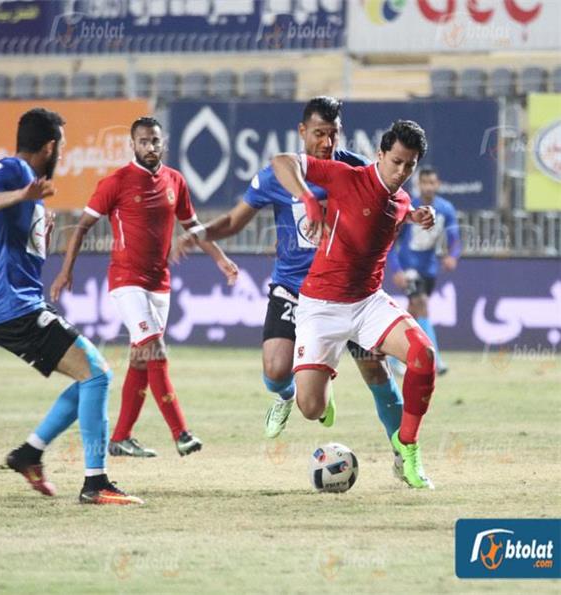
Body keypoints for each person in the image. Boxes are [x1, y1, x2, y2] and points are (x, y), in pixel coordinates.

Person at [174, 97, 405, 466]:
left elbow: (391, 209)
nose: (327, 143)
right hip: (294, 287)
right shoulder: (278, 176)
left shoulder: (358, 170)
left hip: (347, 291)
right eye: (319, 134)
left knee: (375, 369)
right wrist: (200, 233)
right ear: (302, 131)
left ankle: (403, 454)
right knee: (276, 370)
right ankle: (285, 395)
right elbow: (234, 221)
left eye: (334, 134)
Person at [0, 107, 142, 505]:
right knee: (97, 375)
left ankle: (30, 454)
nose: (62, 154)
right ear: (49, 147)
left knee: (91, 377)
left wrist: (35, 228)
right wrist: (21, 197)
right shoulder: (14, 171)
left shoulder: (27, 191)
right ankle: (95, 483)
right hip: (15, 306)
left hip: (13, 306)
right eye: (62, 146)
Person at [51, 116, 238, 458]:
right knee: (156, 351)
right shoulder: (116, 182)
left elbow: (194, 227)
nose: (150, 147)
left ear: (162, 142)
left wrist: (221, 259)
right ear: (132, 145)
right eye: (143, 141)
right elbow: (82, 227)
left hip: (159, 283)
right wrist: (65, 271)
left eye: (155, 140)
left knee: (140, 359)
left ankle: (121, 438)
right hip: (126, 281)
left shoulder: (175, 181)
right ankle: (181, 433)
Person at [271, 120, 438, 489]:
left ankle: (407, 448)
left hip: (367, 303)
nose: (401, 171)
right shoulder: (346, 177)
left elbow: (391, 211)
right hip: (320, 305)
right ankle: (321, 384)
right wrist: (309, 200)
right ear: (379, 155)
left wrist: (415, 215)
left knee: (423, 355)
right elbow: (281, 161)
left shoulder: (402, 199)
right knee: (311, 408)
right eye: (396, 161)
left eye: (410, 165)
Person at [388, 166, 460, 375]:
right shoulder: (409, 208)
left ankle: (392, 358)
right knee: (422, 304)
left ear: (438, 184)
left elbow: (455, 240)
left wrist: (452, 256)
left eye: (432, 182)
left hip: (429, 269)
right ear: (418, 184)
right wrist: (396, 269)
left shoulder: (446, 209)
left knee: (412, 312)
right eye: (424, 182)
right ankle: (435, 360)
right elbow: (391, 242)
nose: (428, 187)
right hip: (408, 267)